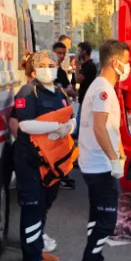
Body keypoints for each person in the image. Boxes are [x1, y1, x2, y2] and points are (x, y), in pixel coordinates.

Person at [72, 39, 130, 261]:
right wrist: (113, 158)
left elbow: (109, 128)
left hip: (99, 162)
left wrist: (120, 152)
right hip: (98, 165)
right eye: (126, 62)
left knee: (98, 217)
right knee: (106, 220)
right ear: (115, 62)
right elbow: (98, 128)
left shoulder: (103, 87)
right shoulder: (103, 90)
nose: (128, 67)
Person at [9, 51, 73, 261]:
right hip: (31, 159)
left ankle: (36, 248)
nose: (49, 68)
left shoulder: (58, 91)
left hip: (51, 160)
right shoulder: (28, 92)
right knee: (33, 207)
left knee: (44, 204)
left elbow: (69, 115)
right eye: (43, 65)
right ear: (34, 71)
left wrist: (69, 126)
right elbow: (25, 125)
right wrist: (57, 127)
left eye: (52, 64)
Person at [52, 40, 77, 191]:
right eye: (58, 53)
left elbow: (68, 88)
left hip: (62, 115)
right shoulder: (48, 71)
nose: (61, 56)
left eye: (63, 53)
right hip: (50, 116)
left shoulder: (60, 72)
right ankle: (58, 176)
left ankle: (63, 175)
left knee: (64, 147)